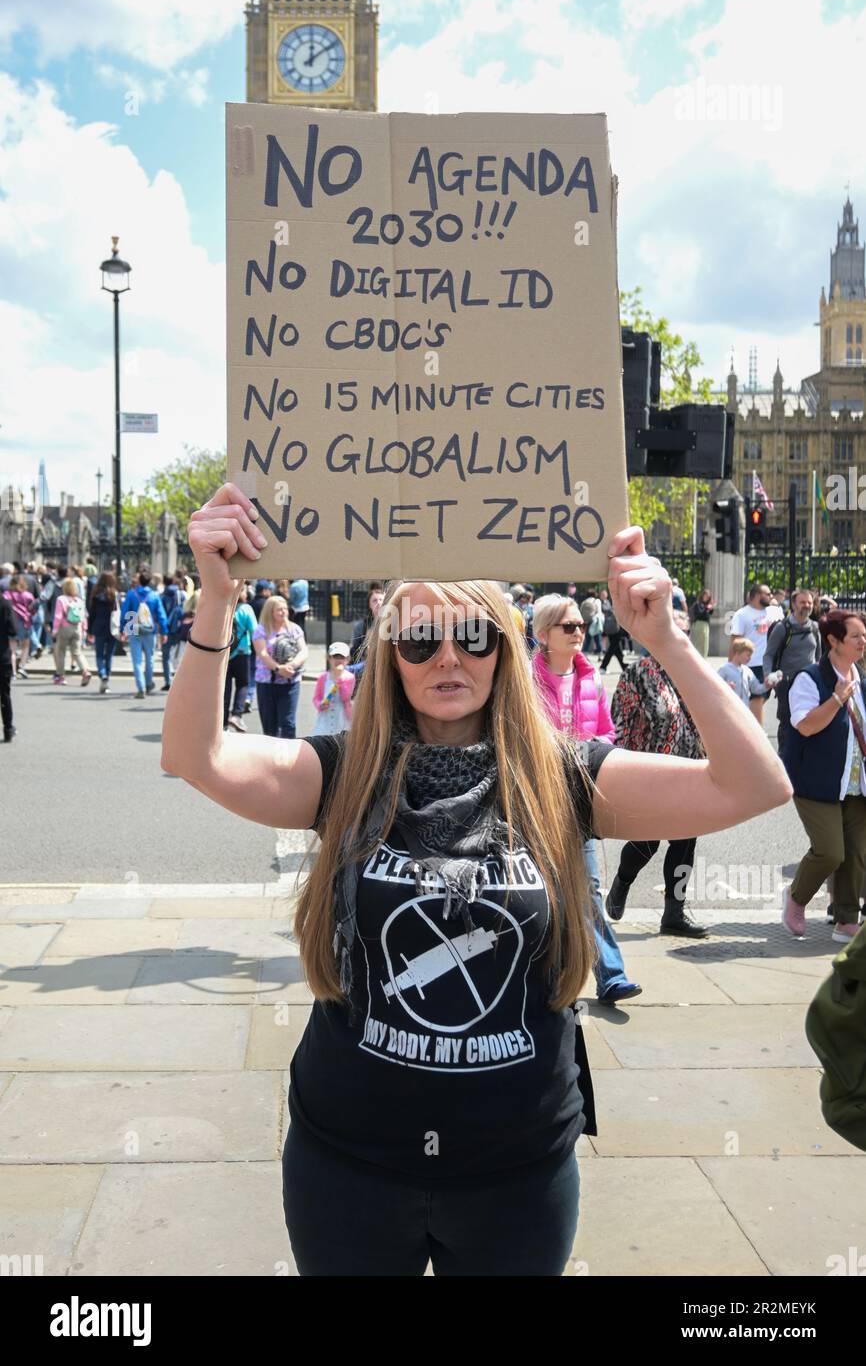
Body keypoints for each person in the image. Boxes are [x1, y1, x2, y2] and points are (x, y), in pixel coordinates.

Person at [160, 483, 790, 1278]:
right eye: (420, 639)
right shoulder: (344, 771)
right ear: (390, 654)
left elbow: (754, 787)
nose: (448, 656)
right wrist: (215, 601)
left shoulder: (563, 776)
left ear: (505, 647)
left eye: (472, 635)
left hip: (516, 1170)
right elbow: (195, 755)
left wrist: (666, 638)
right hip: (348, 1163)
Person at [532, 594, 642, 1005]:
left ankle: (610, 974)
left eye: (580, 625)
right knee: (542, 890)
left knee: (589, 887)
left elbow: (609, 733)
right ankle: (546, 977)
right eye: (569, 626)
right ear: (544, 634)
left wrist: (593, 747)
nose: (579, 631)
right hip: (537, 796)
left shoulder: (591, 676)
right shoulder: (524, 680)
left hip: (580, 798)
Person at [605, 649, 709, 938]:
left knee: (685, 844)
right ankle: (623, 881)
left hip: (690, 770)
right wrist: (621, 769)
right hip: (651, 772)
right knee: (647, 842)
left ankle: (674, 913)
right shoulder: (637, 675)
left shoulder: (692, 671)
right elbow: (621, 725)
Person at [781, 609, 866, 944]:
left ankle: (846, 920)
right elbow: (805, 725)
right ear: (833, 641)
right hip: (817, 783)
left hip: (856, 783)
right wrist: (835, 699)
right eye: (856, 636)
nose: (863, 642)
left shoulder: (860, 677)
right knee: (830, 851)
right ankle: (796, 899)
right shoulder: (810, 678)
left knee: (855, 853)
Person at [762, 589, 820, 756]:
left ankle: (805, 761)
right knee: (788, 725)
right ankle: (785, 763)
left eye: (809, 602)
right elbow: (769, 655)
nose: (807, 606)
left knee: (809, 723)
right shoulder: (783, 628)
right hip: (787, 684)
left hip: (809, 685)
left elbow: (818, 656)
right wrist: (768, 675)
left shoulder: (815, 628)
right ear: (794, 604)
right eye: (802, 602)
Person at [252, 594, 308, 738]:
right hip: (267, 683)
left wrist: (292, 665)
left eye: (285, 609)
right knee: (270, 726)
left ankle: (289, 758)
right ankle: (271, 759)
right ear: (270, 612)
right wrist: (278, 669)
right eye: (279, 609)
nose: (284, 612)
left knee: (288, 724)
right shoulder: (261, 630)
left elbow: (304, 650)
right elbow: (263, 654)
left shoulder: (294, 629)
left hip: (290, 682)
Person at [119, 567, 169, 699]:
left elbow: (125, 612)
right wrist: (164, 632)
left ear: (139, 581)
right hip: (149, 630)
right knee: (150, 658)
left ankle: (140, 687)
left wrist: (123, 629)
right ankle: (148, 683)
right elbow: (161, 614)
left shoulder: (131, 594)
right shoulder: (154, 595)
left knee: (137, 660)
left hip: (134, 628)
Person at [729, 585, 775, 727]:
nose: (771, 596)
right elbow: (735, 641)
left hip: (769, 663)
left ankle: (744, 726)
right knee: (757, 698)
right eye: (768, 594)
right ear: (756, 595)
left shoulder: (773, 612)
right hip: (750, 663)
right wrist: (731, 665)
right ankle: (757, 734)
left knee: (762, 698)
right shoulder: (742, 614)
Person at [224, 586, 257, 733]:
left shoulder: (224, 606)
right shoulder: (246, 609)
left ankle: (223, 721)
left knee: (224, 688)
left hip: (224, 653)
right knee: (243, 684)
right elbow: (255, 631)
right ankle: (236, 715)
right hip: (242, 652)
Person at [718, 638, 782, 707]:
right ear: (737, 653)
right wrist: (726, 686)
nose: (750, 658)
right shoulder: (724, 669)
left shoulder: (747, 671)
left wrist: (766, 686)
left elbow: (756, 688)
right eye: (748, 655)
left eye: (751, 655)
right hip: (729, 708)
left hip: (744, 709)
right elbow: (715, 686)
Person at [52, 577, 92, 686]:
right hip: (77, 628)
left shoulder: (61, 599)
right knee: (77, 652)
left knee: (60, 652)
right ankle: (85, 671)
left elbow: (58, 616)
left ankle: (61, 677)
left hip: (64, 628)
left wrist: (55, 629)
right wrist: (84, 629)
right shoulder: (79, 600)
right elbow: (84, 616)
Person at [86, 571, 120, 692]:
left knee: (99, 654)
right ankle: (106, 679)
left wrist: (89, 630)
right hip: (112, 627)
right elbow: (119, 612)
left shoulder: (96, 595)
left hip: (99, 626)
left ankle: (102, 673)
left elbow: (92, 614)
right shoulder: (115, 595)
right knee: (109, 655)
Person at [312, 641, 355, 734]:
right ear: (329, 658)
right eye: (335, 657)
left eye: (342, 657)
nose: (338, 660)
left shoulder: (349, 677)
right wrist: (320, 704)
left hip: (342, 717)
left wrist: (339, 679)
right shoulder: (323, 677)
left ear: (347, 660)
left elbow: (346, 697)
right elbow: (316, 697)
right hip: (325, 718)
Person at [4, 575, 36, 679]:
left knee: (12, 648)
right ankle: (22, 666)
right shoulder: (28, 595)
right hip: (24, 622)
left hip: (10, 622)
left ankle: (12, 672)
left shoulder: (6, 595)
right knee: (25, 646)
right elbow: (33, 609)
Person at [350, 583, 385, 662]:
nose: (378, 603)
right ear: (369, 604)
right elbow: (353, 652)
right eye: (374, 601)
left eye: (381, 600)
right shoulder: (361, 626)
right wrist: (365, 647)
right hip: (365, 665)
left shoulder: (393, 624)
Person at [0, 592, 16, 742]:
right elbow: (13, 630)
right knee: (4, 694)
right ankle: (8, 728)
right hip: (2, 655)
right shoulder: (5, 604)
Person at [599, 589, 627, 672]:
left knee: (616, 647)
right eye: (602, 594)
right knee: (612, 648)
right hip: (613, 627)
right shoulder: (600, 602)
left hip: (614, 626)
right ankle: (603, 666)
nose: (604, 595)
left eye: (605, 594)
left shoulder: (609, 602)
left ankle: (623, 666)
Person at [689, 588, 714, 659]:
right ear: (702, 596)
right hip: (698, 625)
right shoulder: (698, 604)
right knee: (697, 643)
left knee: (705, 644)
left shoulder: (707, 605)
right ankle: (696, 659)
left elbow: (710, 613)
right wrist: (707, 609)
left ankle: (703, 659)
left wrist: (710, 608)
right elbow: (699, 614)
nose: (706, 597)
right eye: (705, 595)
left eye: (708, 596)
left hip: (705, 626)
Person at [580, 589, 603, 657]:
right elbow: (599, 611)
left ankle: (584, 654)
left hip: (586, 622)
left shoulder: (584, 602)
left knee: (587, 639)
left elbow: (581, 611)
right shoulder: (597, 601)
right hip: (595, 621)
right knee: (597, 639)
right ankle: (600, 655)